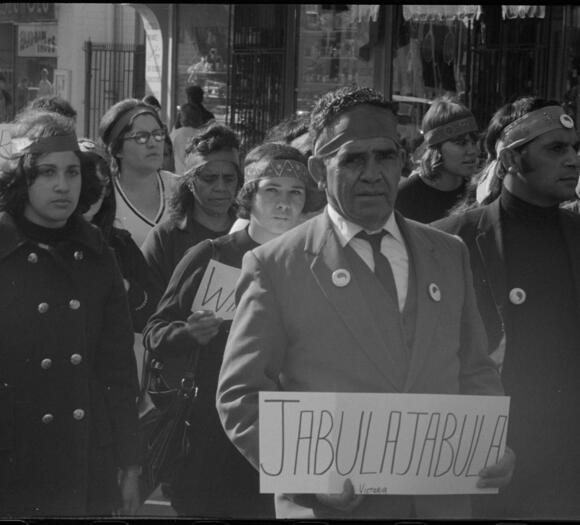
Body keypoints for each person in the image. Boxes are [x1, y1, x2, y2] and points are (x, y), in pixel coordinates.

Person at [216, 86, 514, 520]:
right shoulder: (275, 266)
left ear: (403, 160)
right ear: (319, 169)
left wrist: (492, 443)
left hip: (440, 504)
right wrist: (312, 477)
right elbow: (240, 395)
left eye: (386, 156)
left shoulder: (448, 253)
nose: (373, 174)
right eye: (354, 159)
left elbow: (474, 368)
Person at [144, 142, 315, 518]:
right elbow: (156, 332)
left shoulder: (316, 262)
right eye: (272, 191)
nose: (284, 204)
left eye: (295, 193)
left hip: (287, 433)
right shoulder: (212, 255)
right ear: (249, 197)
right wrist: (189, 333)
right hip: (212, 440)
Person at [432, 96, 580, 519]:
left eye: (574, 147)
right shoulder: (447, 240)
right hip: (488, 457)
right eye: (555, 149)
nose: (573, 159)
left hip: (570, 460)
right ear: (512, 159)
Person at [0, 110, 140, 516]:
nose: (62, 186)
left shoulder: (98, 253)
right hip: (11, 455)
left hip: (82, 456)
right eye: (46, 172)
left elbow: (117, 369)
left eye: (72, 172)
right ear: (20, 177)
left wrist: (129, 461)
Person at [79, 137, 162, 387]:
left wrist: (124, 288)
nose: (90, 194)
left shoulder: (121, 245)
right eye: (82, 182)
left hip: (108, 381)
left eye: (99, 185)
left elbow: (153, 314)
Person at [141, 124, 241, 292]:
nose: (220, 187)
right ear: (189, 182)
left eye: (229, 178)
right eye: (210, 178)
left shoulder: (251, 233)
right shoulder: (164, 239)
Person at [99, 98, 179, 248]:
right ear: (117, 149)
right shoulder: (104, 198)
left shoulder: (182, 188)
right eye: (141, 137)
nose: (153, 143)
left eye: (157, 134)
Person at [395, 96, 480, 223]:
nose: (473, 151)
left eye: (474, 142)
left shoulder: (478, 193)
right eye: (461, 143)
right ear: (436, 148)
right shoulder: (404, 197)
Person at [170, 103, 209, 175]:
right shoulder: (203, 135)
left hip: (177, 176)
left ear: (182, 118)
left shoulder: (175, 134)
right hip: (196, 176)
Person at [142, 94, 175, 173]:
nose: (153, 113)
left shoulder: (163, 128)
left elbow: (169, 151)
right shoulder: (137, 129)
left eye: (156, 110)